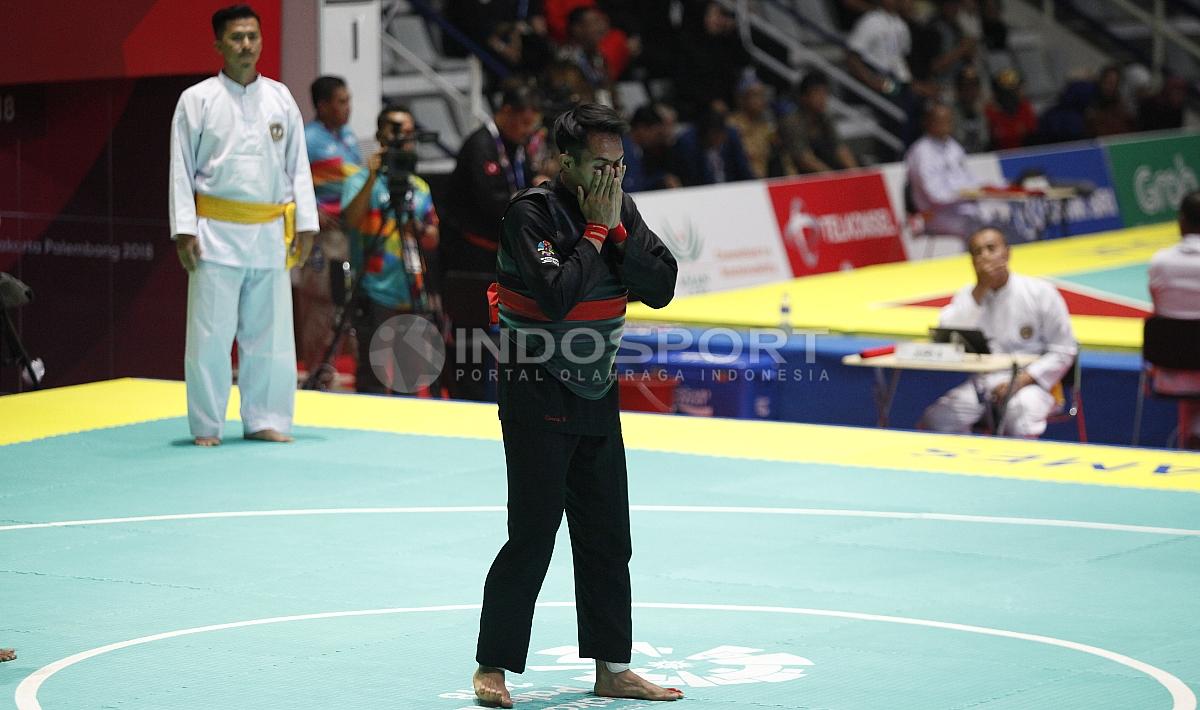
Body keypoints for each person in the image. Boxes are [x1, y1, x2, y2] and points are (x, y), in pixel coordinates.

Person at [472, 103, 680, 708]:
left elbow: (661, 288)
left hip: (596, 388)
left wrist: (616, 231)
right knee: (533, 533)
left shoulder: (619, 205)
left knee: (609, 535)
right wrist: (594, 233)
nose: (611, 176)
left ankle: (613, 667)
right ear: (566, 161)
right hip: (535, 387)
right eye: (599, 164)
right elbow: (557, 296)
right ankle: (493, 666)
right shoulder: (529, 213)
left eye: (619, 164)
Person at [169, 4, 318, 446]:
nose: (246, 45)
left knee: (270, 335)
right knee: (210, 336)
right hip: (214, 230)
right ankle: (207, 425)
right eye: (236, 38)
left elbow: (298, 167)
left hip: (271, 231)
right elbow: (180, 168)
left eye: (253, 36)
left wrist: (306, 224)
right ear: (219, 45)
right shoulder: (196, 100)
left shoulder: (280, 97)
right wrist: (184, 228)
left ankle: (265, 418)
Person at [439, 81, 546, 400]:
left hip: (499, 255)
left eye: (532, 125)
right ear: (505, 113)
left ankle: (506, 392)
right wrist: (531, 197)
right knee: (471, 331)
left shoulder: (516, 146)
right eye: (524, 123)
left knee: (507, 328)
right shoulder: (481, 146)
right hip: (469, 257)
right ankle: (464, 396)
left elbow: (519, 184)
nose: (528, 131)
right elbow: (493, 203)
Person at [920, 228, 1077, 437]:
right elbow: (946, 335)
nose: (984, 255)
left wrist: (1020, 381)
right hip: (985, 384)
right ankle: (968, 464)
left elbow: (1064, 350)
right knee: (938, 419)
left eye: (991, 248)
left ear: (1007, 253)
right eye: (977, 252)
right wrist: (979, 290)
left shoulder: (1040, 292)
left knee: (1019, 416)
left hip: (1034, 385)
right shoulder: (969, 296)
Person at [340, 105, 439, 395]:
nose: (404, 138)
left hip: (411, 291)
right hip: (373, 292)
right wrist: (372, 176)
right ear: (381, 135)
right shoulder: (359, 179)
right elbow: (351, 221)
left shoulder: (418, 186)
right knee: (372, 378)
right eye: (397, 131)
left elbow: (433, 237)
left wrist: (419, 229)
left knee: (408, 378)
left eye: (409, 132)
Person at [299, 75, 362, 386]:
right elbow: (288, 180)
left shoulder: (349, 138)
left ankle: (340, 371)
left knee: (346, 302)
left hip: (350, 234)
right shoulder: (307, 139)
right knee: (320, 303)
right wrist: (313, 212)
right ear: (322, 106)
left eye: (348, 100)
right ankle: (315, 374)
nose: (347, 107)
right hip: (324, 238)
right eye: (340, 101)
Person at [1147, 190, 1200, 449]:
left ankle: (1189, 439)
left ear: (1181, 222)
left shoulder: (1160, 262)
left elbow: (1160, 309)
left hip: (1169, 370)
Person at [906, 103, 986, 238]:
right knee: (974, 224)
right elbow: (935, 195)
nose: (946, 124)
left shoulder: (953, 146)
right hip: (933, 215)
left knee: (997, 215)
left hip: (960, 208)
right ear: (928, 123)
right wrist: (964, 193)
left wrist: (985, 188)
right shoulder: (921, 152)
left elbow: (967, 178)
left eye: (948, 120)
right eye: (940, 121)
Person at [779, 71, 858, 174]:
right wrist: (833, 176)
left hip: (824, 169)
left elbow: (839, 147)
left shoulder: (825, 118)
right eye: (817, 93)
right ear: (804, 97)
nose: (822, 98)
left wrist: (856, 173)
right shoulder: (791, 122)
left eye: (825, 93)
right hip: (797, 174)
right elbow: (803, 158)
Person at [671, 103, 755, 187]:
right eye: (715, 136)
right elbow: (692, 180)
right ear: (707, 134)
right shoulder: (688, 145)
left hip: (732, 189)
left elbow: (743, 169)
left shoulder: (731, 137)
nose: (721, 140)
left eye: (722, 135)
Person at [727, 75, 783, 179]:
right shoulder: (731, 125)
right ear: (742, 99)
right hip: (740, 182)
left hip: (764, 181)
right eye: (756, 96)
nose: (761, 100)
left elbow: (779, 153)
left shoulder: (766, 125)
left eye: (763, 95)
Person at [622, 103, 681, 192]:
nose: (656, 139)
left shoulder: (639, 150)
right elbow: (632, 187)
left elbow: (639, 181)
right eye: (655, 133)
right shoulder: (623, 149)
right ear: (642, 128)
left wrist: (661, 179)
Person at [985, 68, 1037, 150]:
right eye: (1008, 92)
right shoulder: (990, 112)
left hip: (1025, 154)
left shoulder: (1025, 108)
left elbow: (1033, 137)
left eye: (1016, 90)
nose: (1013, 95)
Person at [951, 65, 990, 154]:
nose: (970, 90)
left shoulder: (985, 112)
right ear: (958, 89)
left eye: (974, 85)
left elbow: (986, 141)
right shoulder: (948, 114)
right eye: (965, 85)